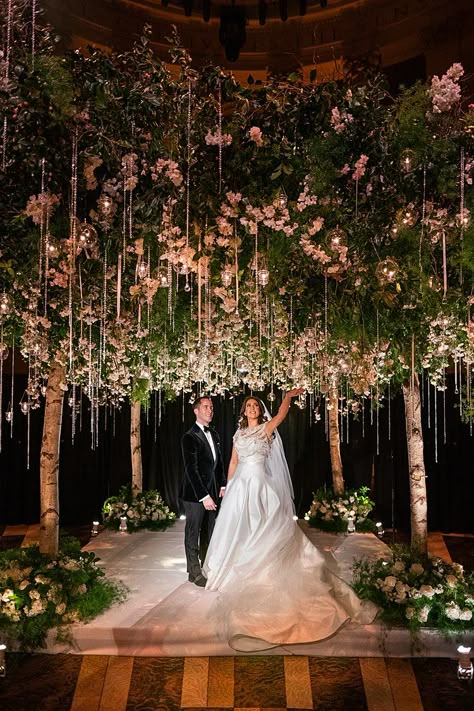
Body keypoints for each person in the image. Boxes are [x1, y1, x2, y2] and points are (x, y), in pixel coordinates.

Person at [203, 391, 378, 651]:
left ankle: (261, 567)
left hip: (260, 485)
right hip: (240, 486)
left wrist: (287, 397)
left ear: (259, 411)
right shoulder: (238, 435)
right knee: (236, 528)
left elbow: (282, 414)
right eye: (248, 406)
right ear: (244, 411)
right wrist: (227, 486)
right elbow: (233, 461)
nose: (251, 408)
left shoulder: (266, 428)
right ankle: (231, 568)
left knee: (263, 527)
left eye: (254, 405)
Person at [180, 396, 226, 587]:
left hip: (213, 492)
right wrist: (204, 496)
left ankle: (205, 567)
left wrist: (222, 484)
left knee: (209, 532)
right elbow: (192, 470)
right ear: (196, 411)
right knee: (193, 532)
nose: (210, 410)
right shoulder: (189, 437)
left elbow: (219, 463)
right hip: (195, 494)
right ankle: (194, 571)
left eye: (211, 407)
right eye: (206, 407)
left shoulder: (214, 434)